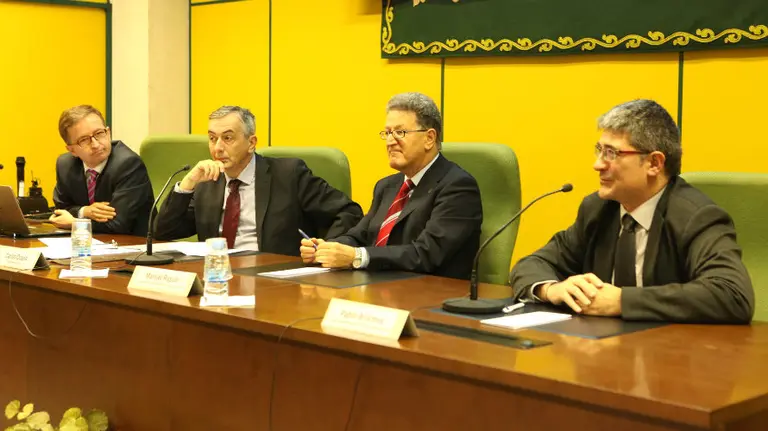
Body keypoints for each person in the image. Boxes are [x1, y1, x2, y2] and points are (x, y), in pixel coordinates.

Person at [509, 99, 754, 323]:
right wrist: (551, 289)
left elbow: (732, 294)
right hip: (603, 346)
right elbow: (532, 263)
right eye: (599, 150)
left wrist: (621, 301)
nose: (597, 164)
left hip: (673, 349)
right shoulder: (598, 209)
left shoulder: (694, 216)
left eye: (612, 153)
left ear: (654, 163)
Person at [299, 92, 482, 279]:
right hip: (376, 286)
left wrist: (357, 256)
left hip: (429, 291)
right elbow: (358, 236)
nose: (390, 142)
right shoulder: (386, 186)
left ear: (429, 138)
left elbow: (426, 254)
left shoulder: (458, 187)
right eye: (387, 133)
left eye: (400, 133)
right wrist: (327, 249)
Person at [155, 105, 363, 256]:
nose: (217, 148)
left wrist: (326, 250)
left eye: (227, 138)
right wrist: (187, 185)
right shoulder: (208, 181)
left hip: (274, 281)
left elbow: (348, 212)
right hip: (218, 276)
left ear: (251, 143)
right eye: (212, 138)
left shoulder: (289, 175)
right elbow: (164, 231)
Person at [50, 105, 155, 236]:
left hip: (135, 243)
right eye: (84, 140)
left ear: (108, 133)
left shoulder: (128, 164)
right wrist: (84, 211)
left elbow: (118, 223)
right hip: (91, 242)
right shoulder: (65, 165)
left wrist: (75, 223)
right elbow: (60, 211)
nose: (95, 144)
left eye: (99, 133)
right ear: (72, 150)